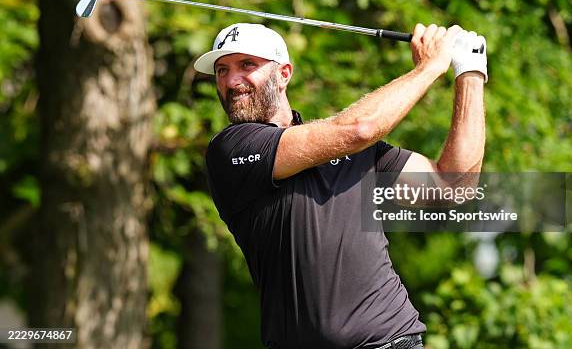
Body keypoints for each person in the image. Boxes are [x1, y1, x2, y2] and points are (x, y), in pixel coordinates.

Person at [194, 22, 487, 349]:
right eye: (221, 70)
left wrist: (470, 73)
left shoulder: (352, 150)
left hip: (392, 341)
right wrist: (430, 67)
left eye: (247, 65)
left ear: (284, 74)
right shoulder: (232, 148)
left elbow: (453, 184)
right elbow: (361, 128)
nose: (232, 81)